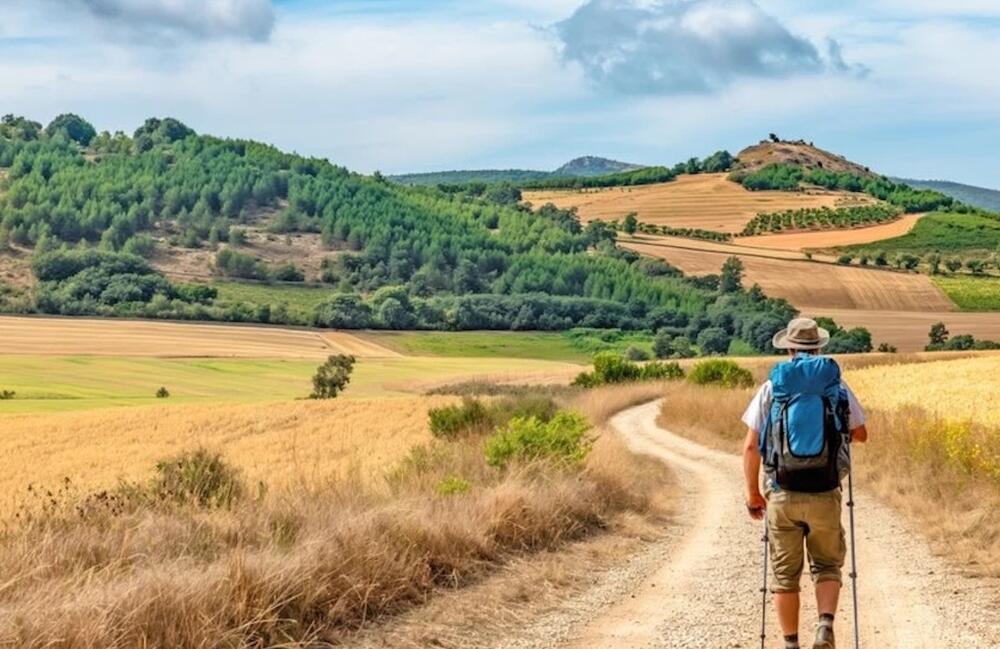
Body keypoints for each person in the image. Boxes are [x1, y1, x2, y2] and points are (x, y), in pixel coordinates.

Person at [741, 318, 868, 649]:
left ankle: (791, 643)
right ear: (820, 347)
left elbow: (751, 446)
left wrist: (753, 493)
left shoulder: (773, 387)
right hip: (825, 490)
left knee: (785, 575)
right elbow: (861, 434)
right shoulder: (837, 387)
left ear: (789, 348)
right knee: (827, 564)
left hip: (782, 492)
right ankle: (825, 625)